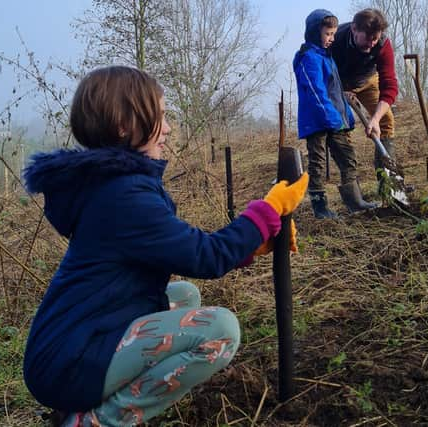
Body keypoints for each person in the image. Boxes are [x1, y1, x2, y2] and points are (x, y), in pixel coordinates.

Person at [21, 65, 308, 426]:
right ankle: (97, 421)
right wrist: (266, 212)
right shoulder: (122, 196)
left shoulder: (111, 185)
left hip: (72, 343)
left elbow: (179, 246)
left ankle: (85, 400)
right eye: (160, 117)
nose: (168, 128)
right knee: (219, 332)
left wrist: (252, 245)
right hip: (69, 363)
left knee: (184, 295)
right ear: (125, 125)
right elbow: (206, 257)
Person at [293, 9, 378, 219]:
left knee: (348, 157)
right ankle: (320, 208)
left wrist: (345, 116)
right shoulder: (307, 58)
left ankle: (354, 201)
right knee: (318, 164)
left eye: (332, 34)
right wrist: (332, 118)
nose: (331, 38)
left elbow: (337, 92)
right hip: (317, 122)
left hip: (334, 120)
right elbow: (316, 92)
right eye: (327, 34)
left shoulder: (327, 57)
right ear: (315, 33)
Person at [330, 8, 399, 179]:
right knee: (341, 128)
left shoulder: (383, 44)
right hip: (339, 84)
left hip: (368, 81)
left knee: (385, 120)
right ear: (354, 29)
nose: (371, 43)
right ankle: (351, 182)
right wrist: (340, 91)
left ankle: (387, 180)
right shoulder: (335, 40)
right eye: (368, 38)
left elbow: (389, 84)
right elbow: (324, 73)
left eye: (375, 39)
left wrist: (374, 119)